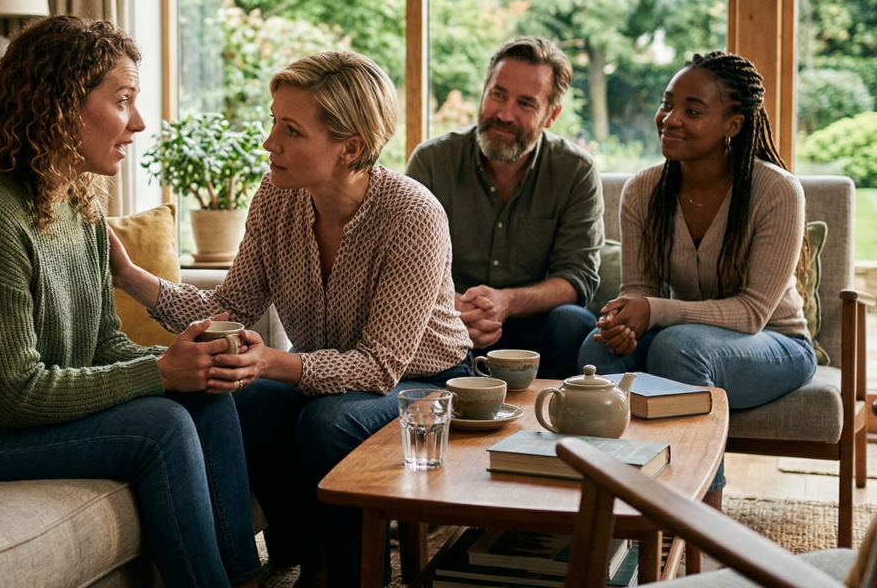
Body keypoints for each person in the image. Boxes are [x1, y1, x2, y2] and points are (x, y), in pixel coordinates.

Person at [0, 15, 262, 588]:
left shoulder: (79, 204)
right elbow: (16, 394)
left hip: (1, 421)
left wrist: (189, 363)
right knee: (160, 426)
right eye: (123, 101)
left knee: (207, 397)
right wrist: (159, 374)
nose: (139, 122)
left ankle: (245, 579)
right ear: (59, 104)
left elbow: (101, 343)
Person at [110, 51, 474, 588]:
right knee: (243, 401)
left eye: (292, 131)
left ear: (351, 147)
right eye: (274, 122)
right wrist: (129, 276)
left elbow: (378, 367)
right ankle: (305, 554)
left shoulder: (412, 215)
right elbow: (228, 310)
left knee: (329, 422)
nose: (269, 143)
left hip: (425, 382)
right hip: (329, 375)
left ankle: (352, 576)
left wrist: (273, 363)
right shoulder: (275, 199)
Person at [578, 51, 816, 499]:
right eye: (667, 104)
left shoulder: (777, 191)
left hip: (778, 343)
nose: (670, 119)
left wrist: (653, 311)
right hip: (690, 337)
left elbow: (752, 313)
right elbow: (640, 289)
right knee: (598, 349)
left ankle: (701, 512)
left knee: (678, 346)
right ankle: (615, 504)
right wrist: (623, 323)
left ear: (733, 125)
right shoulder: (643, 190)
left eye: (692, 111)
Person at [406, 36, 603, 379]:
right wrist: (456, 308)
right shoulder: (432, 161)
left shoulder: (576, 171)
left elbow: (578, 277)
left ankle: (548, 412)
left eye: (526, 103)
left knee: (573, 322)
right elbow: (406, 265)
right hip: (446, 320)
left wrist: (507, 302)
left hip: (533, 327)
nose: (504, 114)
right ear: (483, 92)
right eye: (498, 95)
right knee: (411, 319)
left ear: (551, 115)